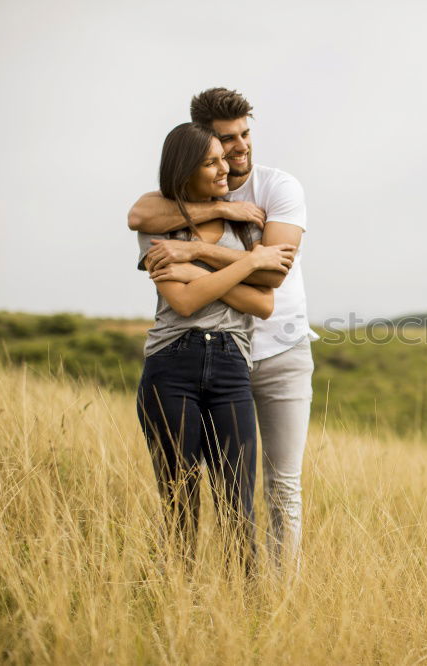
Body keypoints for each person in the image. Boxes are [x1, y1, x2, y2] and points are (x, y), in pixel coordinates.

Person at [129, 88, 317, 572]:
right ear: (198, 146)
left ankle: (272, 602)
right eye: (223, 143)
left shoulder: (274, 194)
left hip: (270, 354)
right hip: (178, 362)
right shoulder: (173, 214)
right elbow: (139, 218)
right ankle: (180, 602)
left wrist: (195, 261)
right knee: (181, 500)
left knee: (270, 491)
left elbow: (268, 284)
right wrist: (220, 214)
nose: (237, 151)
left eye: (244, 135)